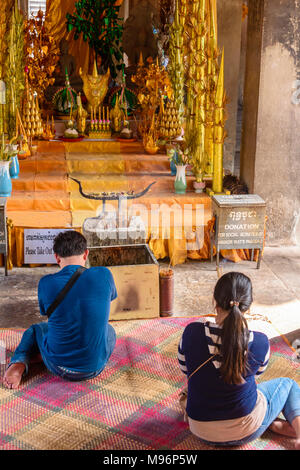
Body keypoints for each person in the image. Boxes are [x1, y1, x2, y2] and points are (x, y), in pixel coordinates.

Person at [178, 271, 300, 450]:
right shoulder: (260, 342)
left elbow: (185, 369)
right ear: (248, 308)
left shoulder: (192, 333)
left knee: (189, 391)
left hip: (200, 429)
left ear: (215, 302)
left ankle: (270, 424)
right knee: (287, 384)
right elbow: (257, 374)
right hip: (246, 429)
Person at [3, 230, 117, 389]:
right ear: (86, 254)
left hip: (57, 366)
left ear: (57, 257)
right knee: (109, 330)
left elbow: (45, 312)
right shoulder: (104, 274)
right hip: (94, 368)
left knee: (36, 330)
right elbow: (108, 298)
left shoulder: (46, 283)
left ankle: (19, 361)